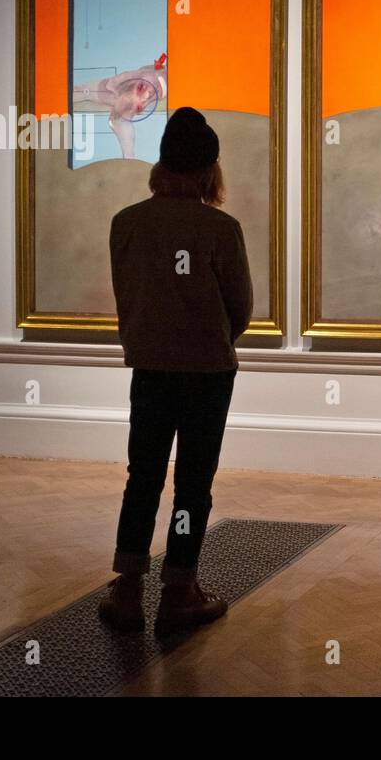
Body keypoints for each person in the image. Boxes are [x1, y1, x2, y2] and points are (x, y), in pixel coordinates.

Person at [98, 106, 253, 635]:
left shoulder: (127, 224)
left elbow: (128, 298)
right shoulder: (221, 229)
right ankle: (179, 589)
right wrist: (205, 339)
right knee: (192, 482)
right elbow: (242, 310)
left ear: (161, 163)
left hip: (151, 368)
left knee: (141, 476)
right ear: (210, 168)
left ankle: (127, 587)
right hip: (208, 372)